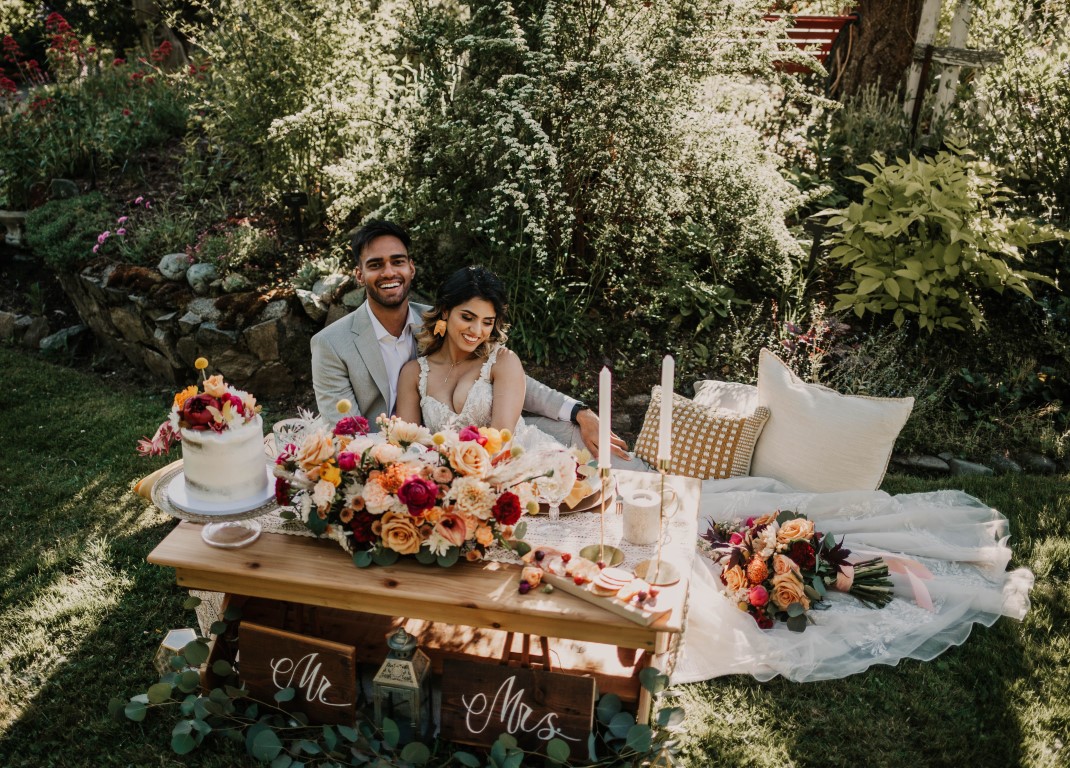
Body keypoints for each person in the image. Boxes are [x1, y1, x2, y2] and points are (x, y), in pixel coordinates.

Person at [311, 220, 627, 458]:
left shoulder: (445, 320)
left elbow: (508, 377)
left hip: (476, 458)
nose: (389, 272)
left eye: (398, 261)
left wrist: (580, 411)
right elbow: (348, 434)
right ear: (359, 275)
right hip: (393, 461)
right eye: (375, 264)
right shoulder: (331, 344)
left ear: (411, 267)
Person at [393, 265, 558, 448]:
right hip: (444, 471)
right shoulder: (413, 373)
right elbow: (406, 445)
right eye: (467, 317)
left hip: (514, 463)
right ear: (446, 311)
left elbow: (502, 442)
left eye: (487, 322)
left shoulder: (503, 362)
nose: (477, 331)